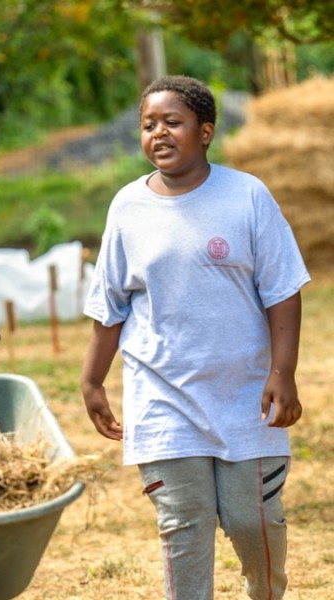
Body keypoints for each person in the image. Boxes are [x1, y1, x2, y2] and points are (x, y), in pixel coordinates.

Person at [81, 75, 310, 600]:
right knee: (184, 526)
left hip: (244, 396)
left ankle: (266, 592)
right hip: (162, 396)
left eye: (172, 122)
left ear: (205, 131)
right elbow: (110, 302)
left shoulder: (247, 196)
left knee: (252, 523)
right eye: (148, 124)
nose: (158, 133)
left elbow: (283, 291)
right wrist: (93, 379)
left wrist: (283, 374)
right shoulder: (127, 207)